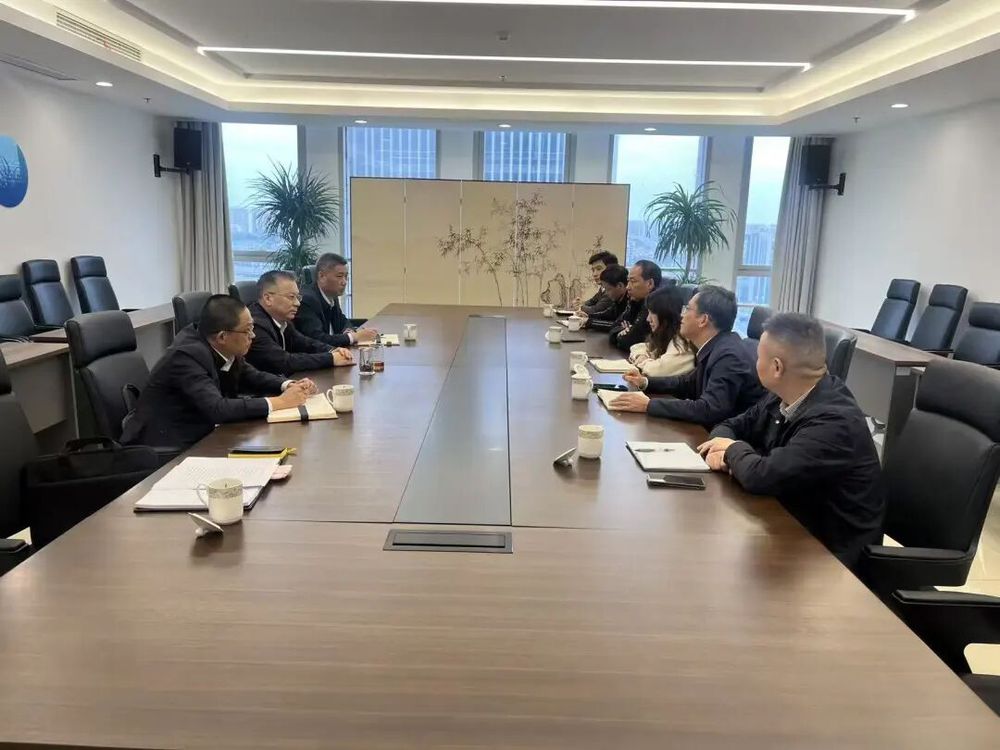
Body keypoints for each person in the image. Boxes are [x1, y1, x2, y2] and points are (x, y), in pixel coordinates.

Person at [698, 313, 885, 569]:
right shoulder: (783, 395)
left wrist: (731, 450)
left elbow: (762, 476)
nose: (754, 363)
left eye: (758, 358)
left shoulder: (834, 422)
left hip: (833, 561)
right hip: (792, 527)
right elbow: (730, 425)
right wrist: (724, 447)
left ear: (777, 368)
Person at [120, 295, 315, 450]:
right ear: (222, 336)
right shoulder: (186, 356)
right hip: (168, 446)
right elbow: (217, 408)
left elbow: (250, 375)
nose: (253, 335)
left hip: (202, 433)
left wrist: (288, 385)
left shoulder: (220, 344)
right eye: (248, 330)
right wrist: (280, 402)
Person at [612, 285, 764, 427]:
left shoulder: (728, 356)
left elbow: (710, 409)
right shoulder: (717, 346)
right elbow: (687, 383)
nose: (681, 315)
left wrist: (649, 405)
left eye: (688, 309)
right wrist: (645, 382)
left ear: (703, 320)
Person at [246, 270, 354, 376]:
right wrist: (331, 358)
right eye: (291, 297)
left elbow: (305, 343)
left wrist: (333, 350)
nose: (297, 303)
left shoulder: (283, 320)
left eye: (298, 297)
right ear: (268, 298)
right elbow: (284, 361)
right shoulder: (254, 326)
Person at [296, 253, 378, 347]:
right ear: (321, 276)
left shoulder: (332, 296)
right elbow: (318, 339)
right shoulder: (307, 300)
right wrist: (353, 337)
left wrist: (348, 331)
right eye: (339, 276)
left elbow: (343, 321)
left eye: (346, 276)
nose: (344, 282)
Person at [628, 286, 696, 377]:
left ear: (665, 314)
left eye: (652, 313)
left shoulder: (681, 341)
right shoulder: (666, 335)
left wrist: (643, 361)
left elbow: (657, 371)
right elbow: (637, 347)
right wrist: (640, 356)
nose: (648, 319)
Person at [609, 260, 661, 352]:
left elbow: (628, 341)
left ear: (650, 284)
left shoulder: (655, 306)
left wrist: (624, 331)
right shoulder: (636, 301)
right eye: (628, 281)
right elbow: (614, 327)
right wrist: (623, 330)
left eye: (633, 281)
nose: (628, 287)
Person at [575, 250, 619, 316]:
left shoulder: (613, 289)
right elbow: (591, 302)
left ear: (611, 269)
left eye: (599, 269)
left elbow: (595, 310)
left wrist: (580, 307)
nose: (594, 274)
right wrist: (580, 303)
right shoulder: (602, 288)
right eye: (593, 270)